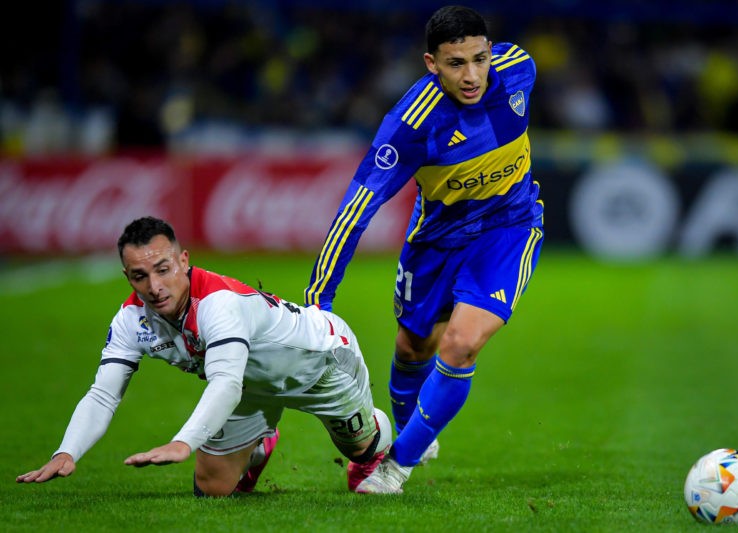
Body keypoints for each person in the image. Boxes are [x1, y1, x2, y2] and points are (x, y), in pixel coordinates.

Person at [304, 5, 544, 494]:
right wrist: (318, 301)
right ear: (431, 64)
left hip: (508, 228)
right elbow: (356, 209)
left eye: (480, 58)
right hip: (437, 236)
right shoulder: (410, 126)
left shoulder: (519, 68)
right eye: (456, 63)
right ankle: (411, 420)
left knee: (461, 342)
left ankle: (398, 465)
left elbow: (502, 73)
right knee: (413, 344)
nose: (473, 75)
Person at [16, 216, 391, 496]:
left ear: (183, 260)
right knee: (213, 489)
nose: (155, 287)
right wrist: (67, 452)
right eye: (139, 275)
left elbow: (225, 382)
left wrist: (183, 442)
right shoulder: (131, 320)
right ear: (127, 276)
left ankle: (379, 441)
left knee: (360, 447)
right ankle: (260, 442)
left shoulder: (218, 303)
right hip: (248, 387)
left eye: (163, 269)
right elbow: (103, 394)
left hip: (320, 365)